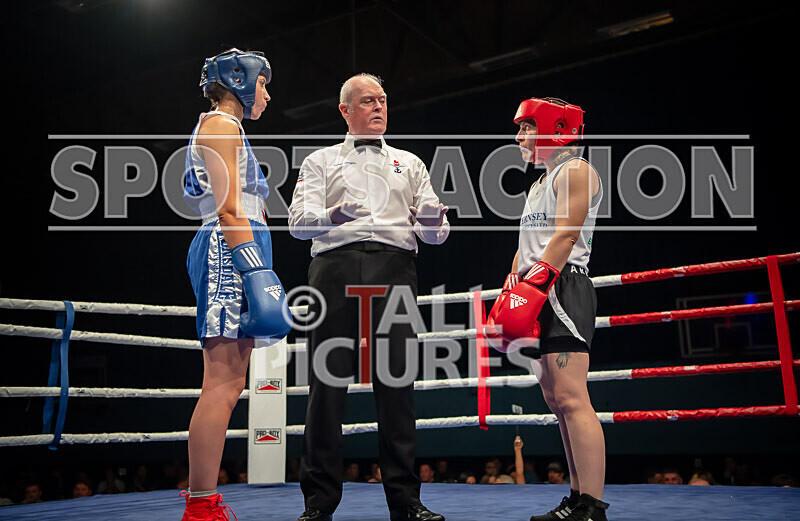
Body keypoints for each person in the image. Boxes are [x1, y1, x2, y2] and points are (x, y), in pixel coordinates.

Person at [289, 73, 449, 521]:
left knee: (397, 385)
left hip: (396, 268)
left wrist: (435, 221)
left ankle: (406, 501)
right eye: (367, 101)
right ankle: (319, 503)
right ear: (345, 110)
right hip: (334, 267)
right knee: (327, 387)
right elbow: (297, 224)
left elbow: (435, 235)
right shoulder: (320, 161)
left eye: (382, 100)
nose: (378, 107)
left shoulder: (410, 162)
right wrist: (331, 216)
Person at [181, 47, 291, 521]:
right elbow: (228, 207)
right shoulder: (222, 124)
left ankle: (204, 498)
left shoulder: (225, 127)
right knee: (222, 382)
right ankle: (201, 503)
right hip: (231, 249)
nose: (266, 93)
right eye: (263, 82)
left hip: (236, 245)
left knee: (229, 380)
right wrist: (254, 268)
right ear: (241, 80)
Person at [486, 97, 607, 520]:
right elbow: (529, 245)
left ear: (555, 128)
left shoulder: (576, 170)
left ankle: (592, 505)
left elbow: (566, 237)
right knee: (556, 400)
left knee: (573, 397)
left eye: (526, 128)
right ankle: (576, 497)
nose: (519, 136)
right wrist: (512, 281)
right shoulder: (540, 183)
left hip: (563, 285)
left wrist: (533, 286)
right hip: (539, 285)